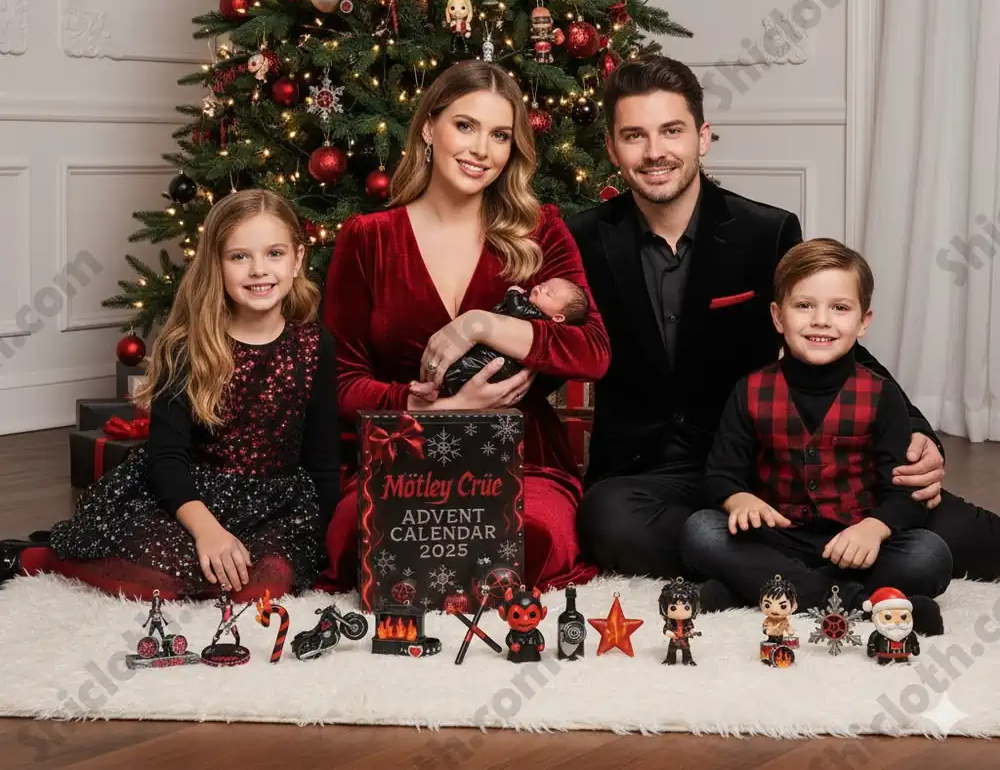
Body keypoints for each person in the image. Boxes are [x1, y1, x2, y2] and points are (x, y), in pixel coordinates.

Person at [568, 55, 1000, 585]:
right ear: (612, 148)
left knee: (964, 532)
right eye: (634, 135)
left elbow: (822, 335)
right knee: (607, 520)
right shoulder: (583, 238)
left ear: (702, 137)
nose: (655, 151)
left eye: (672, 131)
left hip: (776, 456)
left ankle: (763, 570)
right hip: (654, 473)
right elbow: (552, 346)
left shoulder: (765, 231)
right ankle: (819, 569)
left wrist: (915, 428)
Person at [320, 59, 610, 592]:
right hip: (404, 451)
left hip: (519, 457)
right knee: (357, 541)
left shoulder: (538, 229)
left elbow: (592, 351)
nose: (482, 150)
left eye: (500, 135)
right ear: (429, 127)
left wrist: (480, 325)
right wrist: (432, 408)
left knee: (529, 540)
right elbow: (338, 381)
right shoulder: (368, 237)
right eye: (465, 126)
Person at [0, 190, 339, 602]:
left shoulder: (314, 345)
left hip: (277, 504)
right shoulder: (189, 346)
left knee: (260, 588)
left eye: (274, 253)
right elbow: (167, 458)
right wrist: (208, 530)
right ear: (216, 264)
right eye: (239, 257)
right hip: (191, 498)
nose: (258, 270)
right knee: (171, 575)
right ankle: (40, 559)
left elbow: (322, 459)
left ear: (298, 259)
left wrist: (326, 547)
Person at [681, 239, 952, 633]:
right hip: (777, 539)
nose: (821, 320)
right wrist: (739, 500)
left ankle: (758, 589)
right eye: (804, 305)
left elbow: (904, 494)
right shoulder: (750, 390)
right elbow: (721, 474)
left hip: (854, 542)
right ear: (778, 317)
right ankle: (854, 601)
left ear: (863, 321)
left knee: (930, 556)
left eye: (839, 308)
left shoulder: (882, 395)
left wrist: (873, 529)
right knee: (700, 531)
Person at [438, 278, 590, 397]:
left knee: (463, 369)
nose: (540, 289)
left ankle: (438, 389)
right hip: (486, 350)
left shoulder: (538, 317)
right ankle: (436, 388)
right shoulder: (531, 306)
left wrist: (513, 293)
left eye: (548, 294)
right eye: (543, 285)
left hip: (495, 360)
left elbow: (516, 309)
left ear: (557, 317)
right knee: (457, 364)